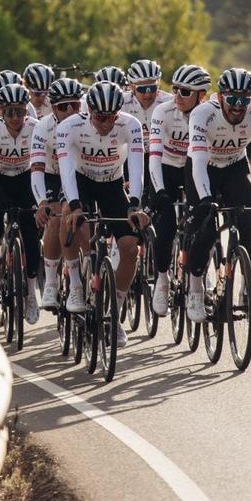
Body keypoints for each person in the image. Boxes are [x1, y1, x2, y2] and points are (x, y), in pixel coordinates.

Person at [57, 82, 151, 348]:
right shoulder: (70, 127)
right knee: (71, 220)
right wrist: (74, 205)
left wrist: (134, 204)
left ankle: (114, 314)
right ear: (89, 111)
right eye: (100, 117)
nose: (107, 123)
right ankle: (76, 285)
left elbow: (136, 167)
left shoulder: (130, 125)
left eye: (112, 116)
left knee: (130, 248)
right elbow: (66, 169)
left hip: (112, 184)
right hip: (81, 181)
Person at [185, 68, 251, 322]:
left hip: (235, 166)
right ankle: (195, 290)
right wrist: (205, 198)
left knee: (248, 223)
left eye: (244, 100)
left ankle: (245, 289)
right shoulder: (202, 114)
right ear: (220, 97)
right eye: (232, 99)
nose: (238, 106)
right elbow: (198, 162)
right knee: (205, 228)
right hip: (203, 166)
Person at [147, 64, 212, 316]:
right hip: (166, 168)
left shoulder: (209, 114)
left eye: (185, 92)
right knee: (166, 226)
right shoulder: (162, 112)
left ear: (201, 95)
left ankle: (198, 282)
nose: (177, 96)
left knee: (205, 224)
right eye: (175, 89)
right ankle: (162, 280)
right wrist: (159, 191)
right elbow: (153, 156)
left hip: (194, 168)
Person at [0, 83, 41, 324]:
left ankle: (31, 293)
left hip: (25, 177)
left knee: (31, 233)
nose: (15, 117)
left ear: (27, 111)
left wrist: (43, 199)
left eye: (20, 111)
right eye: (10, 112)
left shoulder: (35, 128)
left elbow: (42, 165)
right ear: (0, 112)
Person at [29, 77, 84, 309]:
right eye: (63, 106)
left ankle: (90, 269)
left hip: (80, 174)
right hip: (52, 174)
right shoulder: (43, 127)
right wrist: (42, 202)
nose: (70, 111)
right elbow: (36, 169)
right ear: (53, 108)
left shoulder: (88, 120)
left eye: (75, 105)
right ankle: (51, 282)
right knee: (54, 218)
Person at [123, 58, 175, 201]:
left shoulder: (169, 102)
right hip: (130, 156)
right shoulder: (121, 103)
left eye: (152, 88)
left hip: (160, 156)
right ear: (131, 87)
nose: (147, 94)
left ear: (159, 84)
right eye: (142, 89)